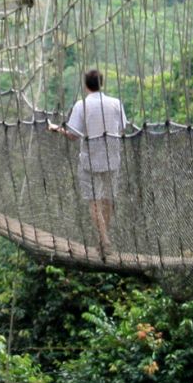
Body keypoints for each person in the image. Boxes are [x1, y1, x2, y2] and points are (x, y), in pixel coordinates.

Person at [48, 69, 126, 258]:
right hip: (112, 158)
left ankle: (104, 240)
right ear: (102, 83)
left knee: (94, 201)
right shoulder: (116, 103)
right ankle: (104, 239)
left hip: (90, 160)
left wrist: (56, 129)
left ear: (85, 85)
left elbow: (73, 135)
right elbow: (122, 128)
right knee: (108, 199)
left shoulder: (81, 105)